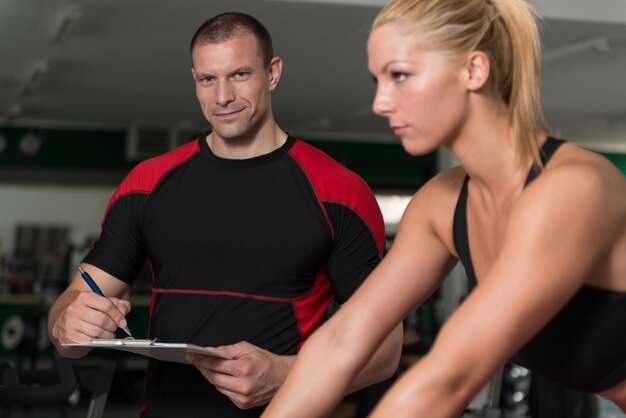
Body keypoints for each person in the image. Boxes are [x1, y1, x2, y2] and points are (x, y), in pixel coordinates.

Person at [261, 0, 626, 417]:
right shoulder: (442, 204)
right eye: (378, 79)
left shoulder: (570, 191)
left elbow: (449, 379)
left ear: (474, 70)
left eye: (399, 75)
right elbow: (342, 340)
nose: (380, 102)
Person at [47, 12, 403, 418]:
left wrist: (288, 373)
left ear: (273, 73)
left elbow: (386, 350)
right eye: (207, 79)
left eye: (239, 75)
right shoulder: (147, 184)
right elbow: (74, 306)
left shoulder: (339, 192)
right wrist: (66, 323)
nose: (222, 97)